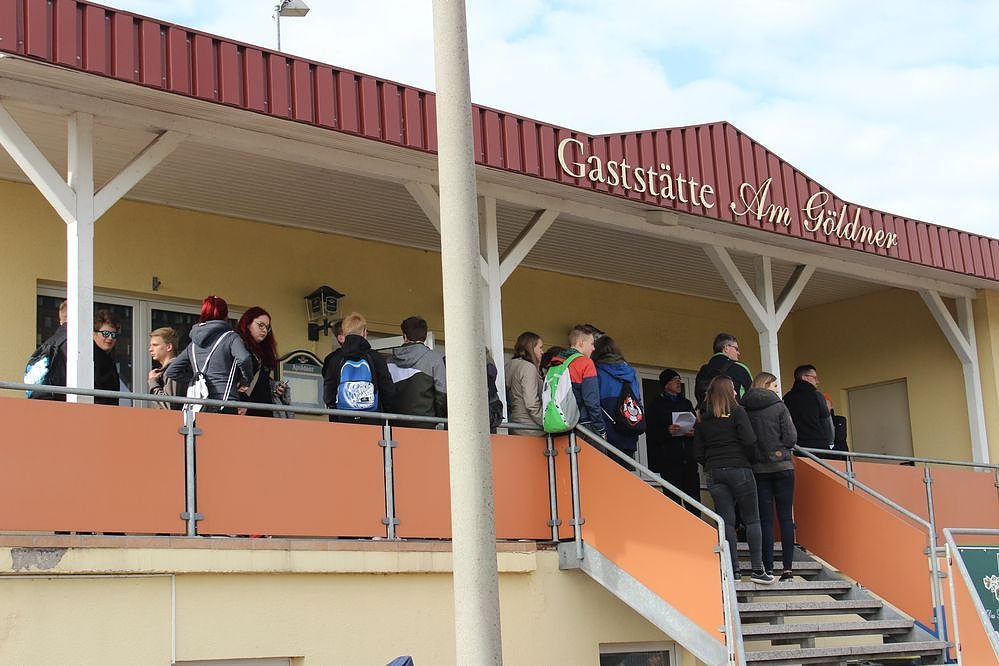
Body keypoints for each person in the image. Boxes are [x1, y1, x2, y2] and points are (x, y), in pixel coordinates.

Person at [693, 375, 774, 584]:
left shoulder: (701, 416)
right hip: (739, 468)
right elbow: (750, 440)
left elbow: (698, 451)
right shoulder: (737, 411)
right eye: (734, 389)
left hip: (714, 471)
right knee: (752, 519)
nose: (737, 392)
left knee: (726, 521)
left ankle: (734, 571)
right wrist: (748, 459)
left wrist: (710, 463)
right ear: (729, 391)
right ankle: (757, 570)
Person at [742, 372, 798, 580]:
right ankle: (787, 569)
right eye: (775, 386)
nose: (777, 390)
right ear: (766, 385)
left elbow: (744, 439)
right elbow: (791, 438)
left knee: (764, 520)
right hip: (782, 466)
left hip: (758, 468)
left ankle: (768, 567)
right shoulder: (779, 406)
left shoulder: (744, 408)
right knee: (785, 517)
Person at [165, 295, 253, 412]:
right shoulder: (231, 337)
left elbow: (172, 371)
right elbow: (244, 358)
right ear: (226, 315)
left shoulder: (193, 344)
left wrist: (197, 380)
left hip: (199, 404)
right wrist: (246, 381)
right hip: (225, 401)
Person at [322, 311, 395, 424]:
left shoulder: (335, 359)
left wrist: (336, 414)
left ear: (344, 333)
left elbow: (328, 394)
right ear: (364, 333)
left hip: (343, 420)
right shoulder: (375, 357)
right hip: (372, 419)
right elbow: (387, 390)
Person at [647, 368, 700, 515]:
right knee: (673, 502)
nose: (679, 382)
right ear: (666, 384)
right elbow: (650, 433)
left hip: (689, 459)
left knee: (694, 501)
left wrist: (693, 432)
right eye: (675, 380)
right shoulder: (656, 405)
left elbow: (696, 424)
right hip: (669, 462)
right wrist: (667, 431)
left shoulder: (685, 403)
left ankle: (696, 528)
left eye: (679, 379)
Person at [592, 334, 644, 466]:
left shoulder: (596, 371)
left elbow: (593, 402)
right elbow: (638, 401)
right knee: (626, 473)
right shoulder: (630, 372)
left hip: (607, 434)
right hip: (629, 430)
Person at [387, 316, 447, 424]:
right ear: (424, 336)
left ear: (405, 336)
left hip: (396, 425)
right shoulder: (435, 359)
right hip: (425, 424)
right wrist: (437, 419)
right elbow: (441, 396)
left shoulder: (389, 362)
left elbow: (386, 394)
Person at [548, 325, 604, 439]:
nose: (593, 348)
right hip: (582, 425)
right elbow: (591, 400)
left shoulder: (555, 364)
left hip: (557, 424)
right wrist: (600, 428)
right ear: (581, 343)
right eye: (592, 344)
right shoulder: (585, 363)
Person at [235, 307, 289, 417]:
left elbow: (261, 380)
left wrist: (275, 387)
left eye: (267, 327)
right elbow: (234, 380)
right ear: (248, 324)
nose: (264, 330)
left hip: (264, 409)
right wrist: (241, 401)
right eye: (260, 325)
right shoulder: (238, 346)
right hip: (245, 409)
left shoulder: (264, 351)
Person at [783, 364, 833, 451]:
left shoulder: (786, 398)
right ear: (804, 377)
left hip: (797, 448)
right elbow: (826, 421)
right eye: (814, 378)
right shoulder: (816, 395)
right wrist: (830, 442)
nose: (817, 381)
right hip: (819, 445)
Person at [695, 333, 753, 406]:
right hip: (733, 412)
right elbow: (752, 396)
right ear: (726, 348)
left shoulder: (703, 370)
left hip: (708, 412)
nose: (738, 353)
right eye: (736, 349)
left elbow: (698, 396)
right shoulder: (740, 368)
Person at [505, 331, 545, 435]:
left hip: (515, 424)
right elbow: (531, 402)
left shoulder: (509, 366)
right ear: (531, 348)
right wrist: (544, 421)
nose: (542, 352)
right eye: (540, 347)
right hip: (531, 428)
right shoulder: (528, 368)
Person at [147, 327, 185, 409]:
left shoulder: (175, 370)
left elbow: (168, 405)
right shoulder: (170, 369)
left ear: (169, 347)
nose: (150, 349)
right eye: (151, 345)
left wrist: (153, 382)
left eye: (155, 345)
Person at [92, 309, 122, 406]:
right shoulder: (89, 356)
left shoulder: (108, 356)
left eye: (113, 334)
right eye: (105, 333)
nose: (110, 338)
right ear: (94, 334)